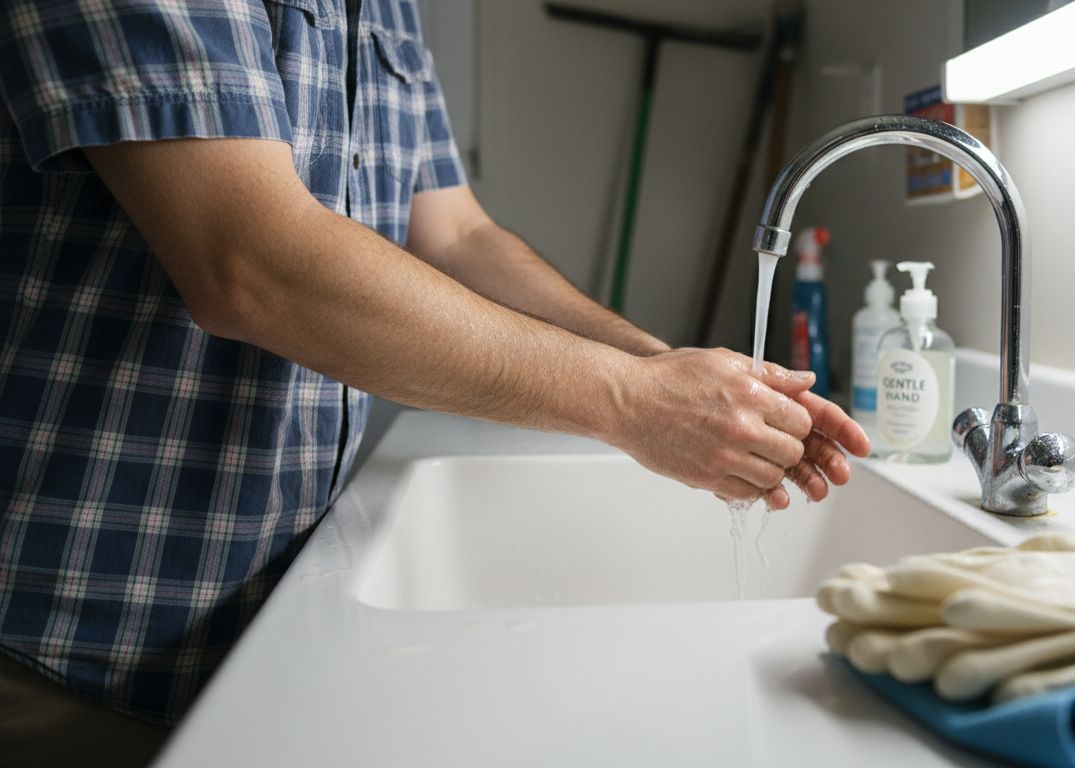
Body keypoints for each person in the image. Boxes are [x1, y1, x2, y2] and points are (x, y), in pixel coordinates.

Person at [0, 1, 869, 765]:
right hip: (71, 639)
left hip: (266, 625)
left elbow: (456, 236)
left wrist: (666, 372)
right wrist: (634, 402)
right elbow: (251, 262)